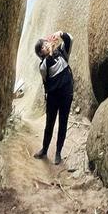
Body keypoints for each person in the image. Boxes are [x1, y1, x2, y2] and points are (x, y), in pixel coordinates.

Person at [33, 30, 74, 164]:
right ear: (41, 54)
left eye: (46, 43)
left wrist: (61, 34)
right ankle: (44, 150)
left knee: (63, 123)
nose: (46, 45)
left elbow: (70, 40)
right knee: (49, 124)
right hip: (53, 97)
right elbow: (46, 68)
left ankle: (58, 153)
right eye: (43, 47)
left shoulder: (62, 52)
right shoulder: (43, 65)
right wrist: (50, 52)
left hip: (66, 94)